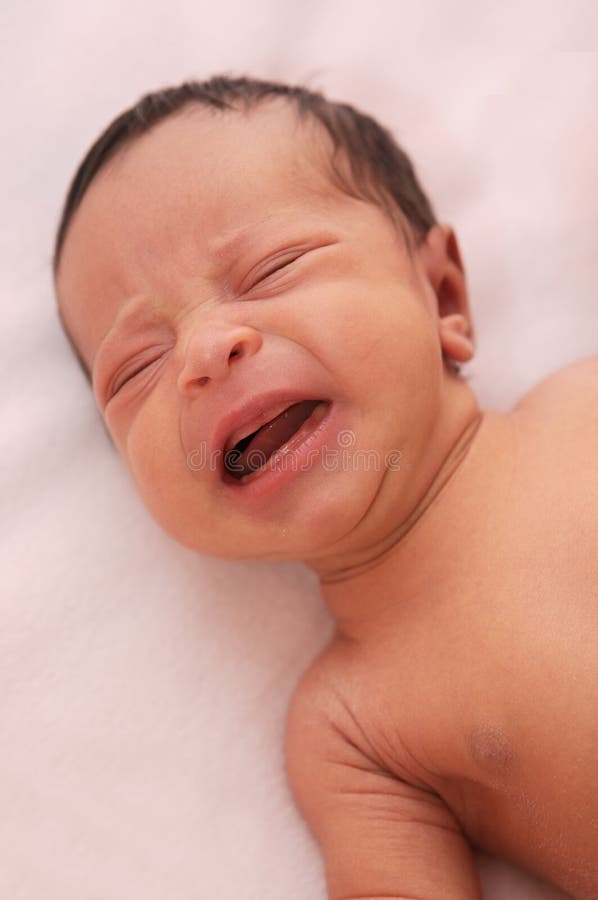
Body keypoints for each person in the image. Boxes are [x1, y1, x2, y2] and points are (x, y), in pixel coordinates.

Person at [53, 75, 598, 899]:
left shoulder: (583, 406)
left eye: (273, 269)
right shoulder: (350, 730)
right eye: (135, 368)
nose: (206, 349)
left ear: (442, 294)